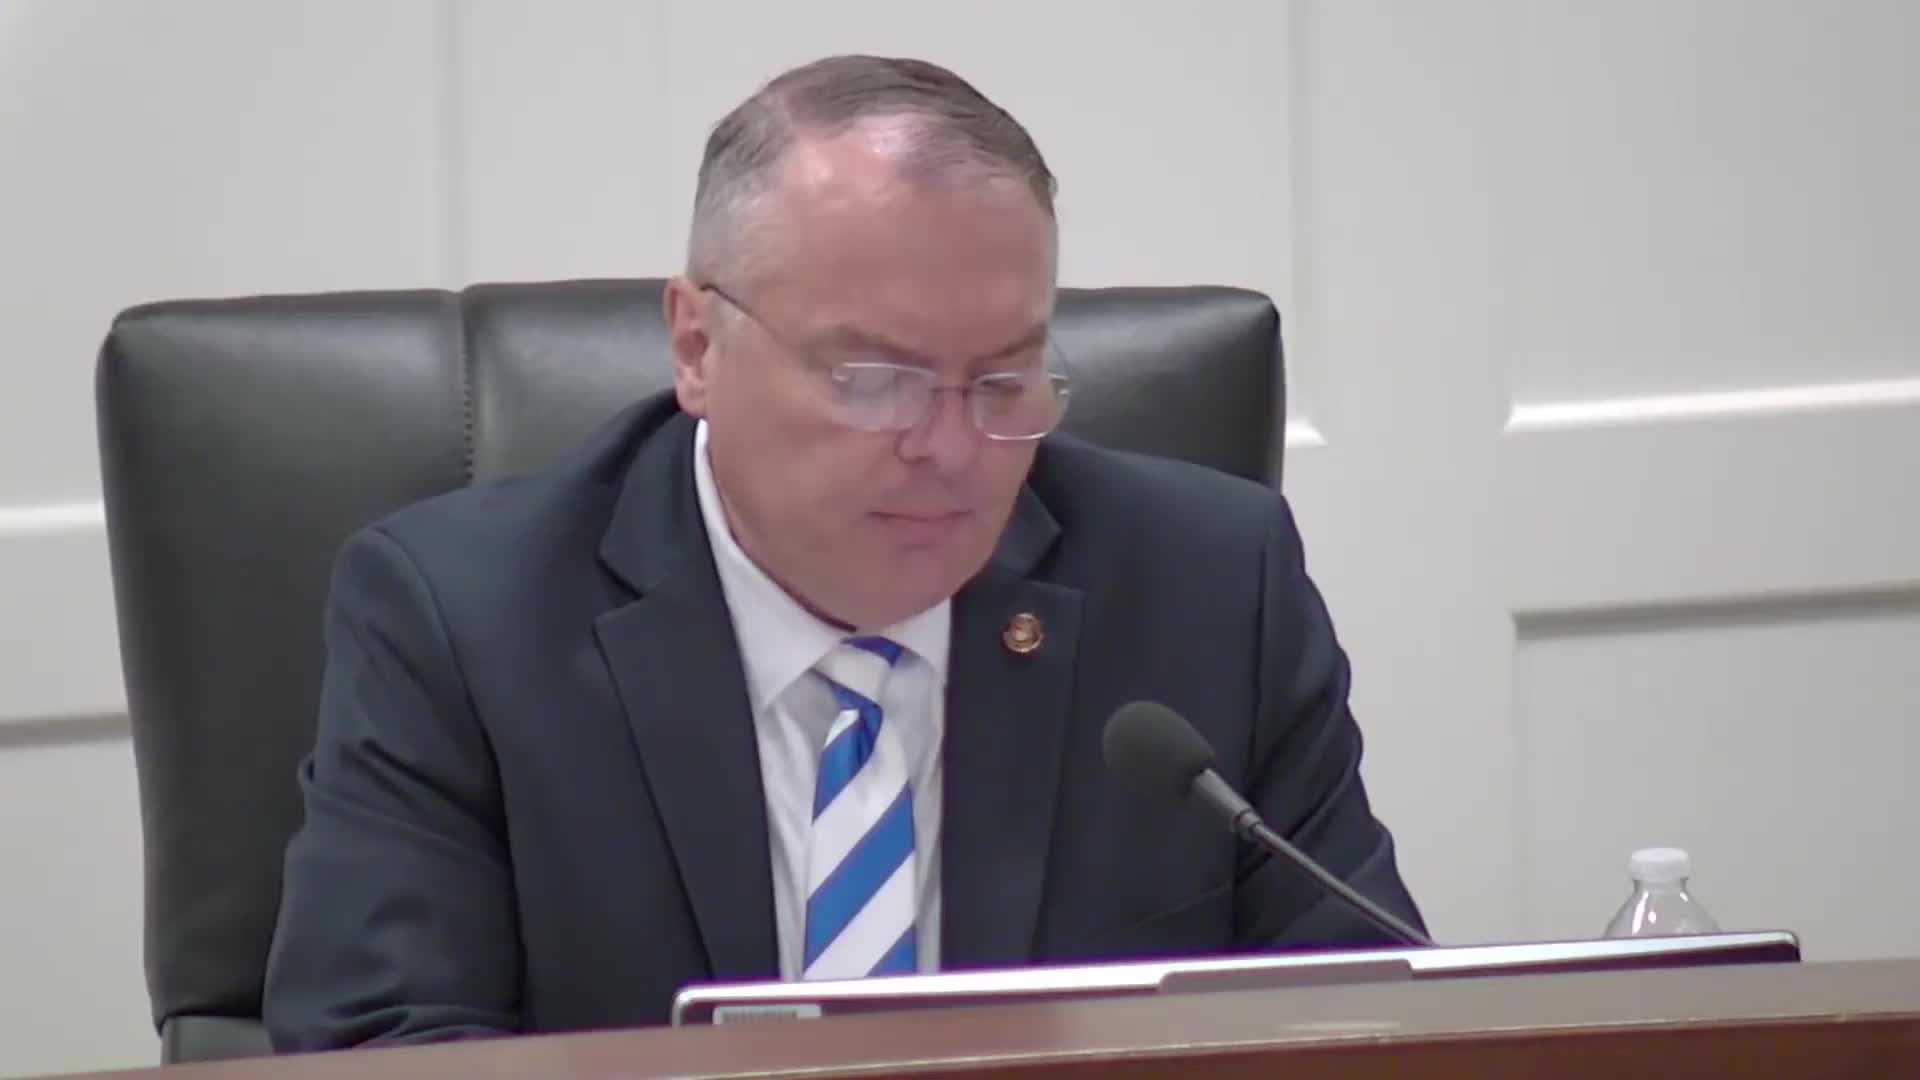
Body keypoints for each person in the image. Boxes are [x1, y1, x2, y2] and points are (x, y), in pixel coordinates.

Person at [262, 53, 1423, 1051]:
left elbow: (1366, 1025)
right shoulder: (461, 623)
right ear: (697, 346)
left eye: (1003, 380)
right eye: (876, 380)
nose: (950, 448)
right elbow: (379, 1052)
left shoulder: (1212, 590)